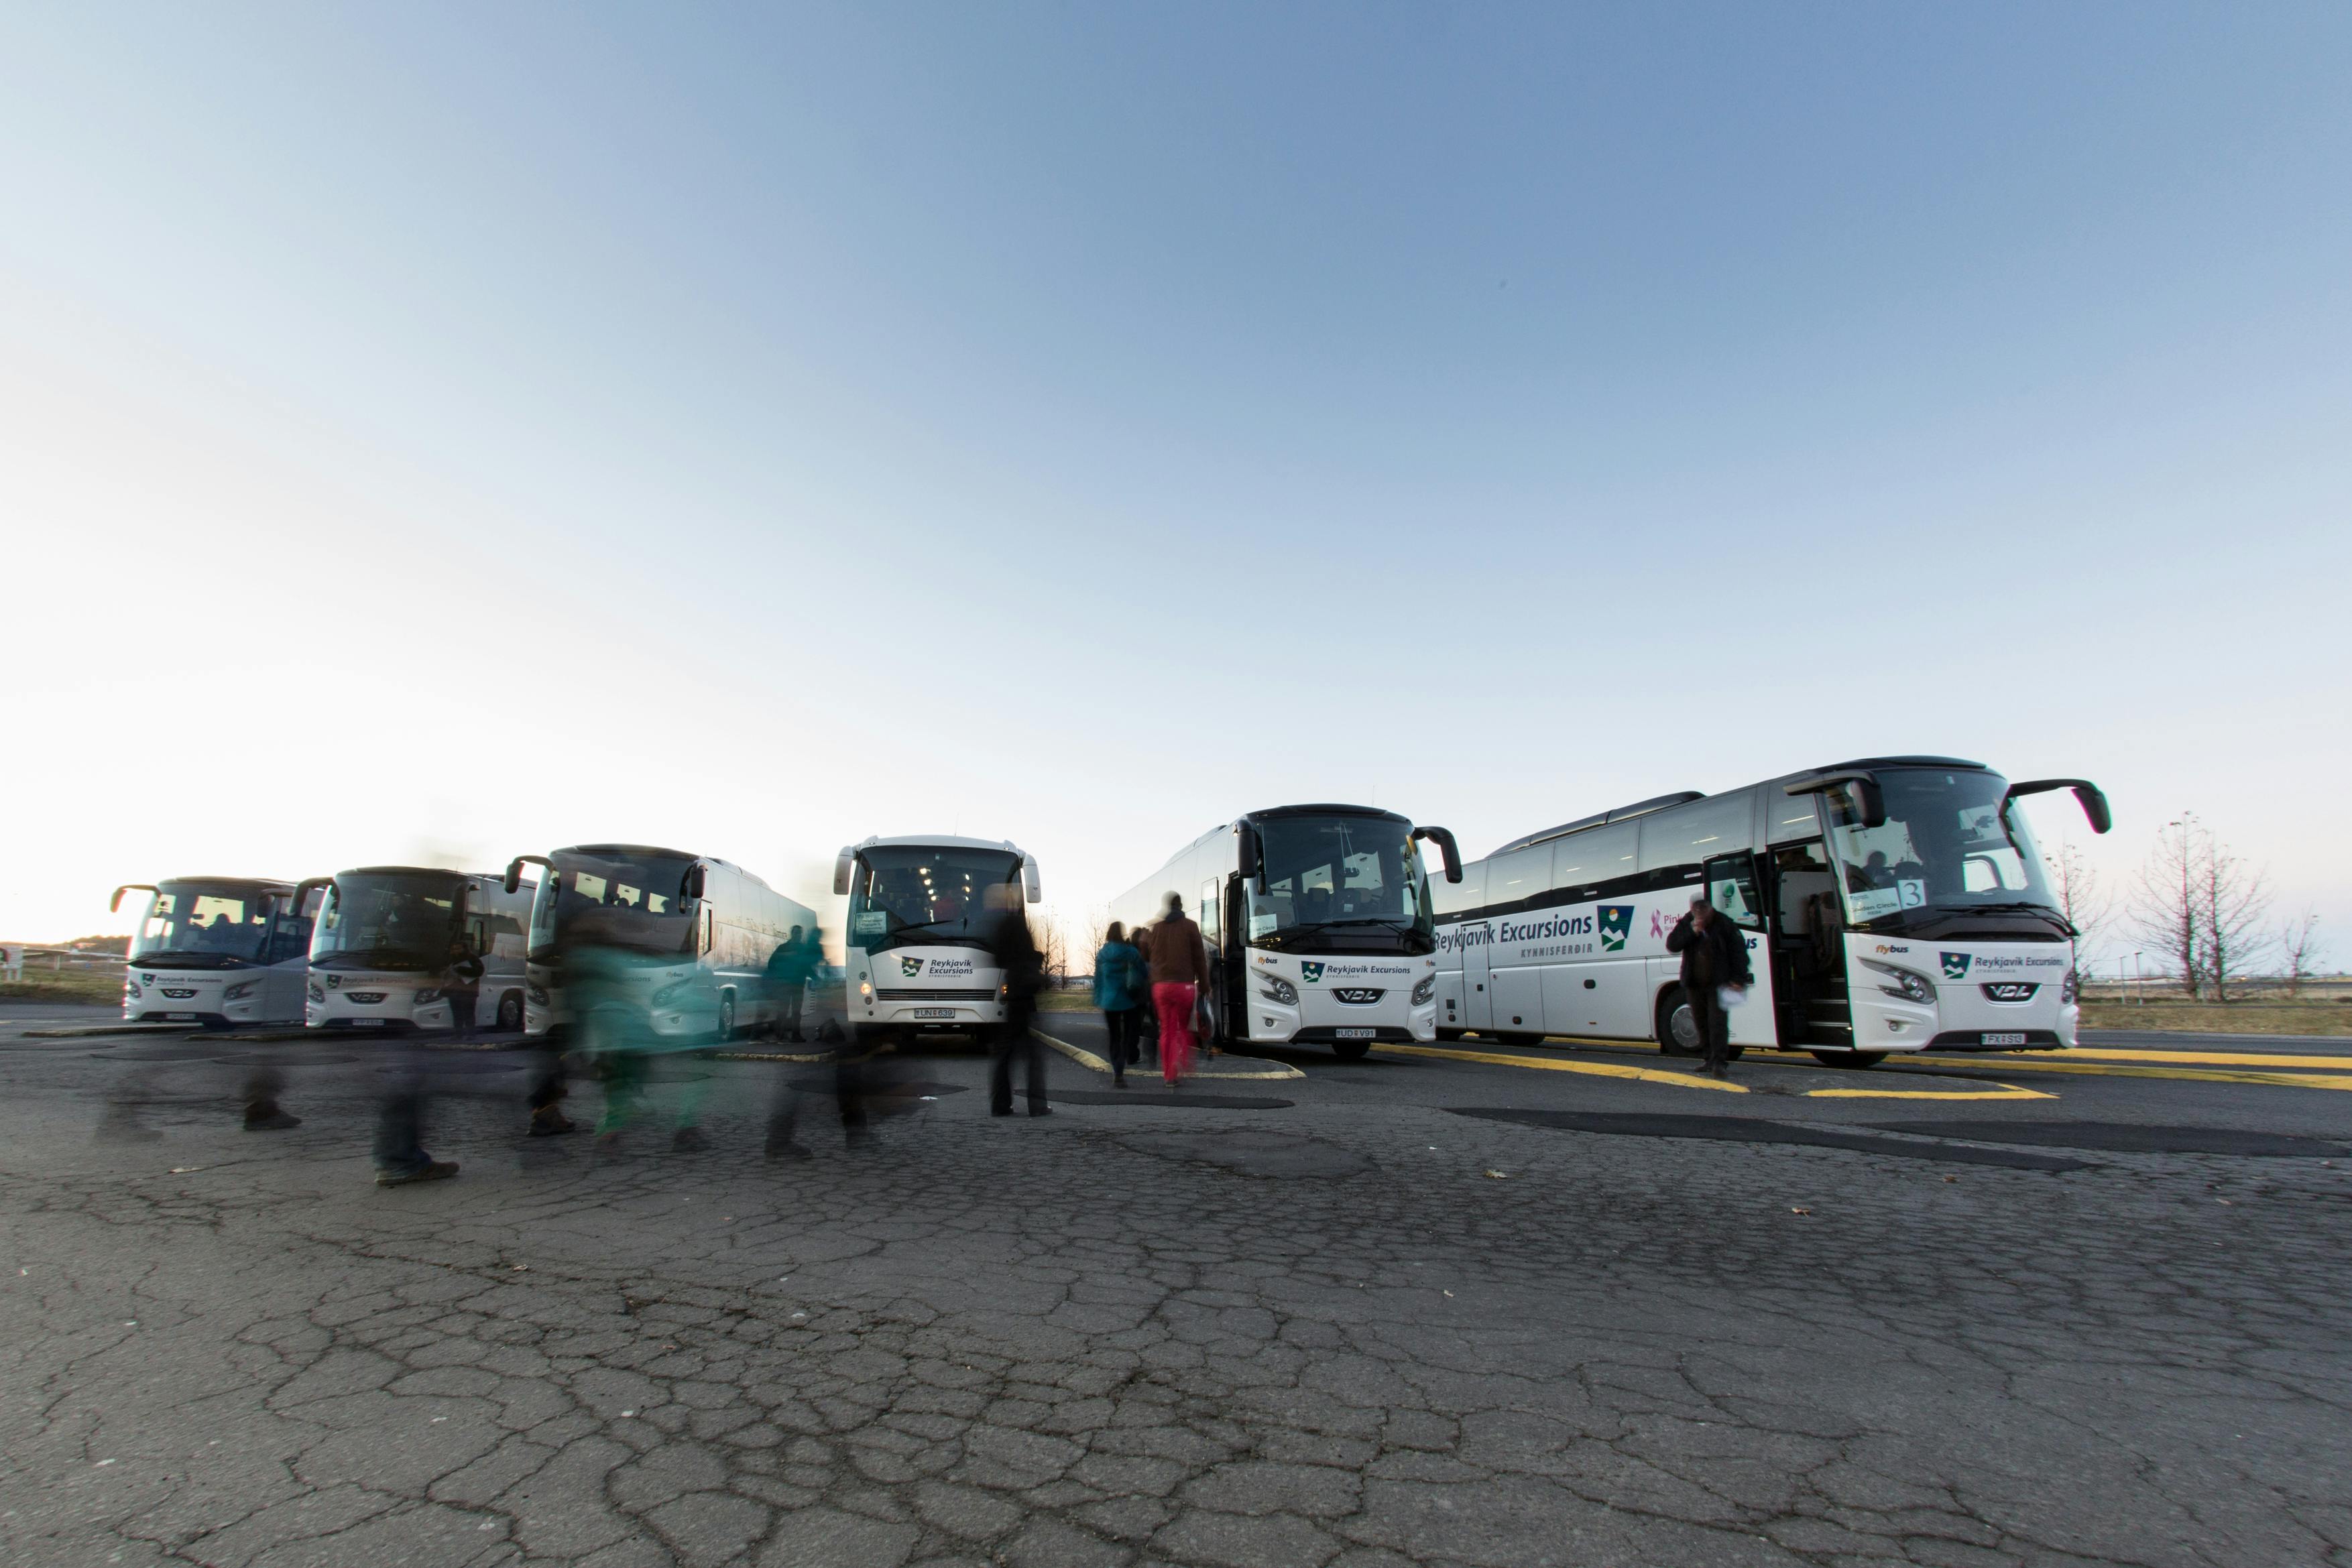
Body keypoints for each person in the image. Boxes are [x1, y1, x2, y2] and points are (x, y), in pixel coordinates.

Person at [1665, 894, 1754, 1079]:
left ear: (1710, 910)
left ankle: (1719, 1062)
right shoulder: (1687, 922)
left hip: (1718, 983)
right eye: (1696, 913)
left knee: (1717, 1023)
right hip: (1694, 983)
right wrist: (1693, 931)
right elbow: (1672, 945)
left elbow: (1739, 953)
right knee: (1701, 1023)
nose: (1700, 917)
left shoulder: (1724, 924)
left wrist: (1738, 979)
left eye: (1703, 913)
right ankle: (1708, 1059)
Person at [986, 884, 1048, 1116]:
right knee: (1033, 1055)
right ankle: (1037, 1105)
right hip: (1025, 995)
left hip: (1012, 993)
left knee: (1005, 1054)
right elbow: (1029, 955)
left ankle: (1001, 1104)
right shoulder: (1018, 925)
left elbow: (998, 959)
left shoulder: (999, 926)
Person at [1146, 891, 1212, 1087]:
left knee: (1167, 1029)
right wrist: (1205, 986)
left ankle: (1169, 1075)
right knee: (1182, 1027)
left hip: (1161, 987)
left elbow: (1150, 956)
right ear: (1181, 906)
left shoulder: (1157, 928)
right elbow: (1199, 958)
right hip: (1184, 986)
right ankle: (1184, 1061)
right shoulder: (1190, 926)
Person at [1092, 922, 1146, 1086]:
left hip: (1109, 1001)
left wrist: (1098, 998)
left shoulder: (1102, 954)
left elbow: (1098, 979)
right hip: (1128, 1000)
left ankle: (1117, 1071)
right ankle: (1122, 1067)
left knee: (1114, 1037)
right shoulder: (1131, 952)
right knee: (1126, 1036)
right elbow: (1143, 972)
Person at [766, 925, 812, 1043]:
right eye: (797, 933)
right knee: (792, 1011)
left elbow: (771, 964)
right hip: (795, 984)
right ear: (793, 934)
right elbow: (807, 967)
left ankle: (781, 1035)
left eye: (799, 933)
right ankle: (793, 1036)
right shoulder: (802, 949)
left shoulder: (783, 948)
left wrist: (778, 976)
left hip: (788, 984)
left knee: (786, 1011)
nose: (798, 935)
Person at [441, 932, 483, 1036]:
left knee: (468, 1014)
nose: (456, 951)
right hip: (454, 991)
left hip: (468, 991)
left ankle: (470, 1034)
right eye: (454, 949)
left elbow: (479, 971)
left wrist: (461, 969)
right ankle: (458, 1034)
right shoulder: (452, 959)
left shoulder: (472, 958)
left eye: (458, 949)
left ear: (464, 949)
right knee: (457, 1014)